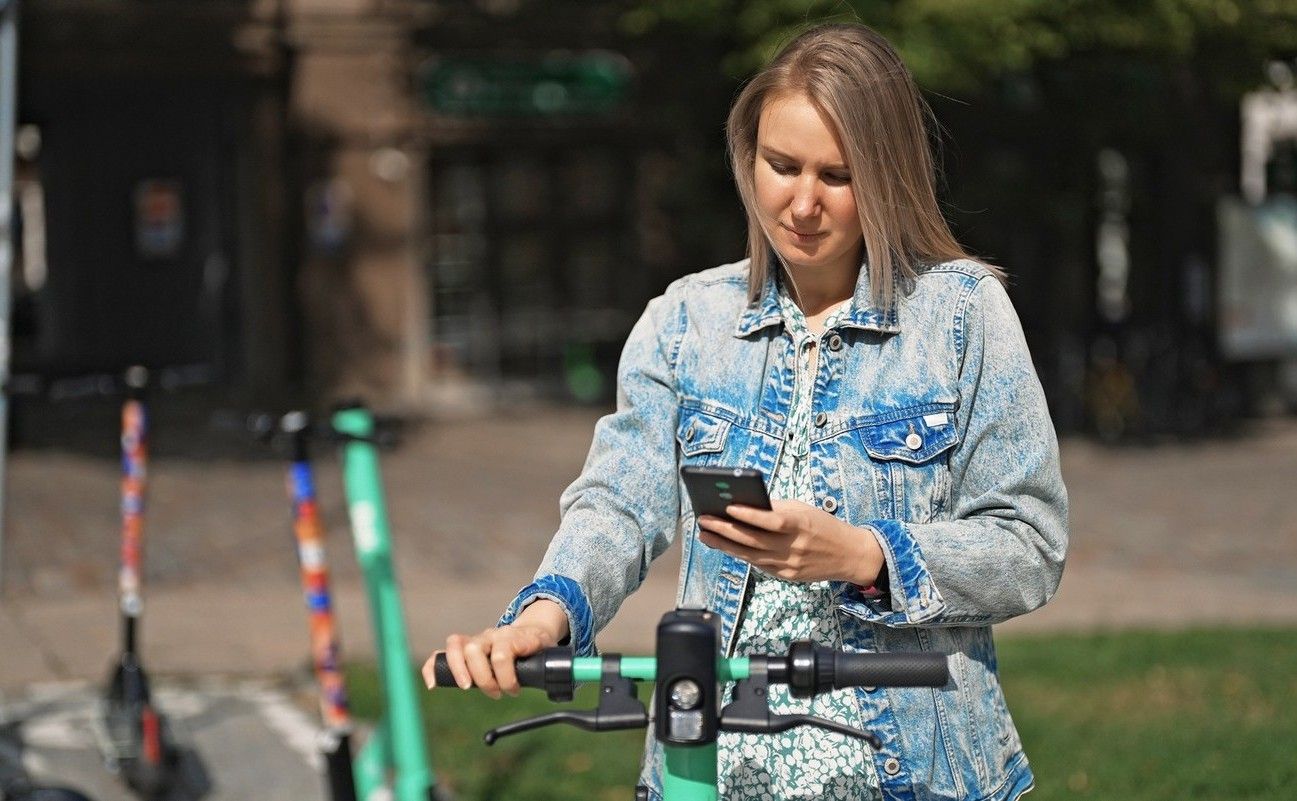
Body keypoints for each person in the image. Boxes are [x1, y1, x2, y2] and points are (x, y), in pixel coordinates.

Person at [425, 21, 1068, 801]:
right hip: (712, 771)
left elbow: (1028, 544)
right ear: (746, 158)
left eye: (837, 175)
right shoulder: (684, 320)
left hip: (910, 774)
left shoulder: (963, 316)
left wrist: (865, 554)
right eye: (781, 165)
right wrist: (546, 613)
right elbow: (617, 503)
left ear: (889, 176)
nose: (801, 203)